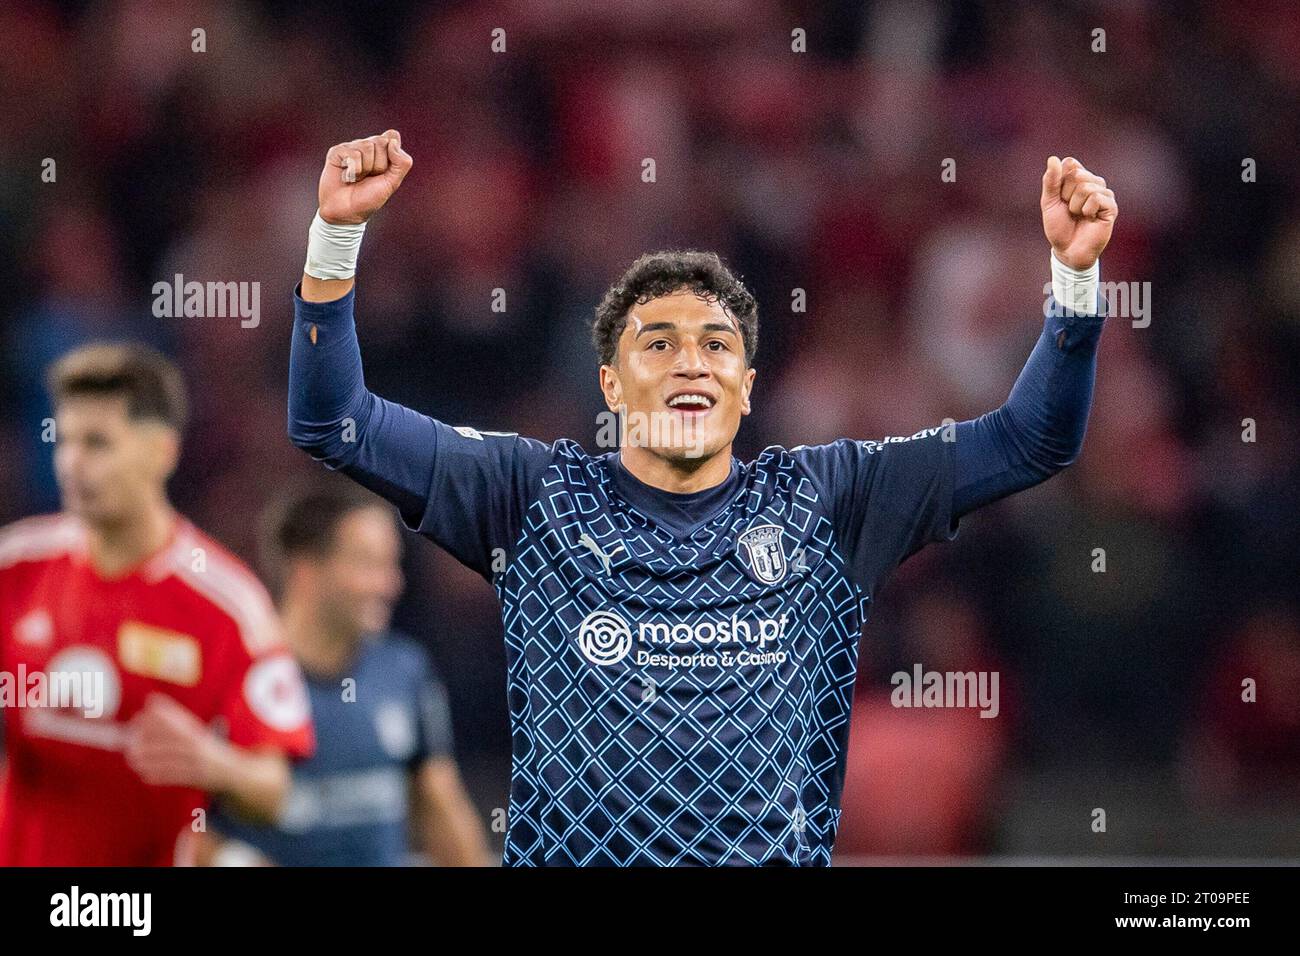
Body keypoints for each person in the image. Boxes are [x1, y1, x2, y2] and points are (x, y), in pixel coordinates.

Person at [287, 130, 1117, 865]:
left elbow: (1029, 439)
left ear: (747, 387)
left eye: (716, 344)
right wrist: (336, 237)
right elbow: (334, 421)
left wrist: (1074, 283)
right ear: (610, 384)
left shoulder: (828, 501)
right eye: (660, 343)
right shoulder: (531, 496)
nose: (692, 362)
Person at [0, 343, 314, 866]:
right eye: (66, 441)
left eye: (98, 443)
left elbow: (274, 792)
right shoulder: (16, 566)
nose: (74, 464)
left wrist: (215, 763)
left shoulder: (228, 607)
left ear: (162, 452)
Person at [203, 481, 492, 866]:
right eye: (368, 564)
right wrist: (233, 859)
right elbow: (177, 818)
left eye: (392, 565)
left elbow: (440, 804)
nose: (391, 585)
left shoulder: (404, 671)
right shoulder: (228, 671)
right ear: (304, 567)